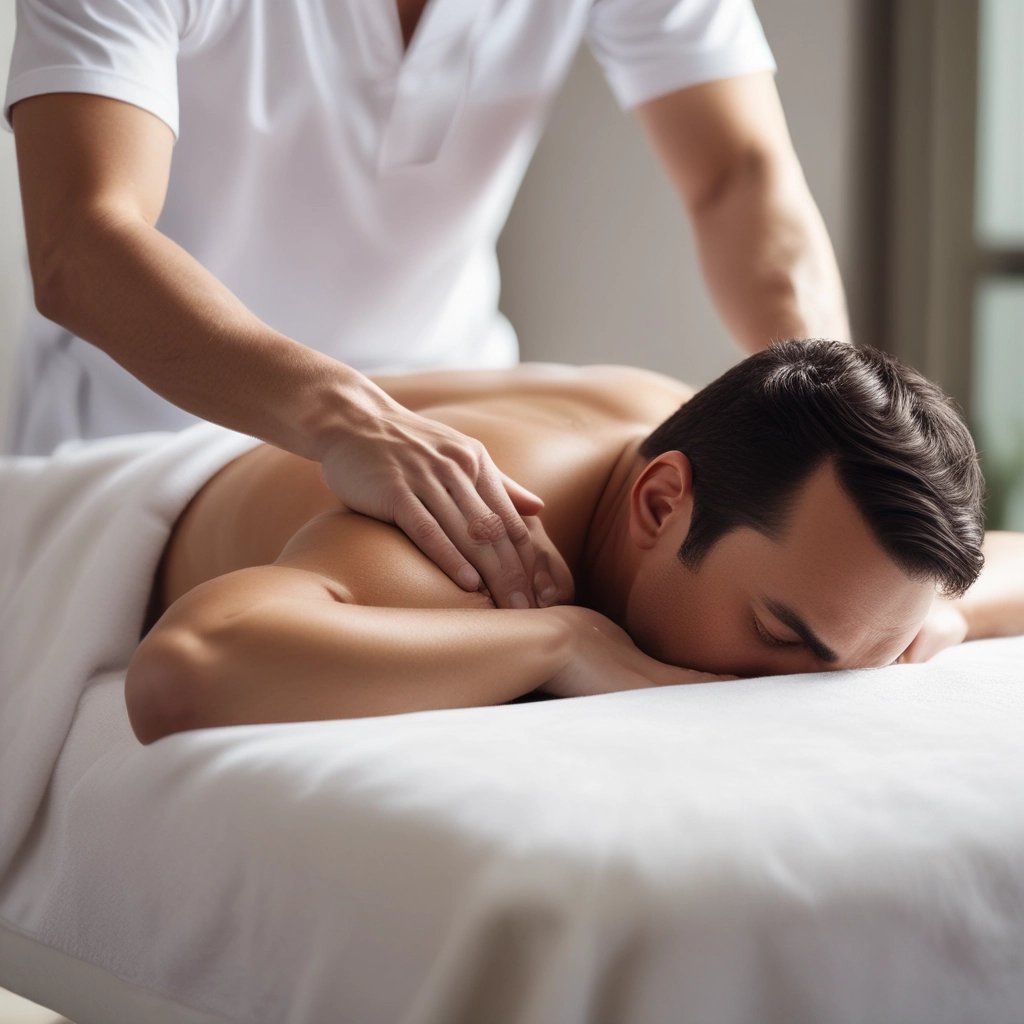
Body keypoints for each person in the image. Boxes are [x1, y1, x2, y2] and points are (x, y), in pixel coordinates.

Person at [3, 0, 849, 614]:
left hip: (460, 416)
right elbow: (83, 240)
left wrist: (841, 434)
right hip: (156, 434)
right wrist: (346, 418)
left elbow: (740, 176)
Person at [125, 341, 1024, 745]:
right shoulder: (479, 542)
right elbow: (185, 671)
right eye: (780, 634)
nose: (801, 689)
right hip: (114, 493)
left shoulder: (739, 464)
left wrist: (922, 624)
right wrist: (562, 639)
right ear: (660, 505)